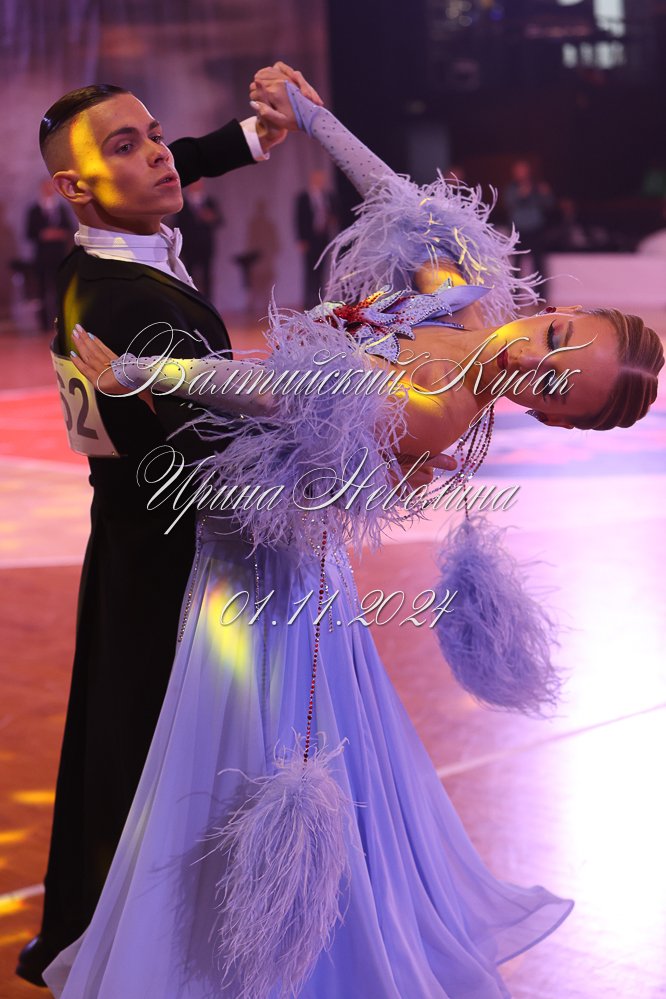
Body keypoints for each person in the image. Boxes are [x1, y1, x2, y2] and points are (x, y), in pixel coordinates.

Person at [41, 81, 662, 999]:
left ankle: (259, 958)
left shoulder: (439, 406)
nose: (536, 355)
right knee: (213, 756)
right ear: (555, 308)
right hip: (252, 538)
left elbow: (289, 394)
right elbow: (406, 206)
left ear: (554, 418)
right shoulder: (464, 302)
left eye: (557, 385)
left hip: (266, 568)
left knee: (238, 756)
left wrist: (146, 370)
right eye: (559, 334)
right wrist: (314, 118)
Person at [16, 67, 323, 988]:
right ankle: (170, 948)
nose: (158, 155)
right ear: (74, 186)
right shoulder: (130, 306)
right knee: (169, 750)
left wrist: (250, 137)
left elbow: (178, 159)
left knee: (127, 736)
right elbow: (222, 446)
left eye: (153, 133)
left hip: (131, 540)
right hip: (176, 558)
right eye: (127, 146)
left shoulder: (105, 257)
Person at [25, 178, 73, 331]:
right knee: (42, 290)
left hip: (59, 256)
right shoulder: (34, 210)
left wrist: (58, 234)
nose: (48, 190)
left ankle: (61, 321)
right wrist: (43, 234)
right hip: (42, 257)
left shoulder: (62, 209)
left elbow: (69, 229)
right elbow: (29, 233)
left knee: (60, 289)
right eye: (45, 187)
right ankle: (44, 324)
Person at [171, 178, 223, 299]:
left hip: (205, 245)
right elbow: (176, 224)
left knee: (206, 275)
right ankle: (190, 301)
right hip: (189, 246)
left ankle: (208, 302)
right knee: (188, 274)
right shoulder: (182, 203)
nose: (195, 186)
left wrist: (211, 218)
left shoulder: (209, 202)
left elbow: (219, 220)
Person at [295, 167, 337, 307]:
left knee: (321, 269)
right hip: (309, 238)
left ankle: (319, 300)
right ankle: (308, 301)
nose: (320, 181)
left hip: (323, 237)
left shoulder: (328, 196)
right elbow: (299, 219)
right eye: (317, 179)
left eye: (322, 179)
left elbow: (334, 214)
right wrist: (301, 239)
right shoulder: (303, 197)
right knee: (309, 269)